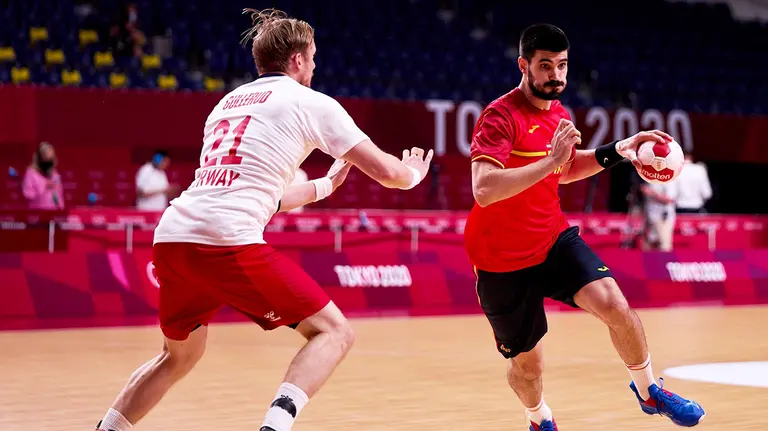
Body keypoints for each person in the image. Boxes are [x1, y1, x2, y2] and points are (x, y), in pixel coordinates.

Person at [95, 8, 432, 431]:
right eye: (312, 58)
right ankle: (274, 427)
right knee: (335, 332)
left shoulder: (225, 105)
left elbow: (262, 198)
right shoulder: (312, 103)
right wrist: (414, 173)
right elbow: (388, 172)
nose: (314, 66)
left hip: (173, 235)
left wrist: (325, 187)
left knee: (178, 356)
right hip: (225, 241)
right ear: (296, 60)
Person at [464, 24, 705, 431]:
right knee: (529, 366)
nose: (555, 76)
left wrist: (621, 150)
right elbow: (484, 189)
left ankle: (648, 391)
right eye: (545, 66)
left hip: (551, 237)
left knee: (615, 304)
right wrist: (548, 160)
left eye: (562, 66)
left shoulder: (558, 113)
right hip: (500, 259)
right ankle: (539, 418)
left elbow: (563, 169)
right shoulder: (499, 116)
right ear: (523, 65)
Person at [22, 142, 65, 210]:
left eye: (51, 158)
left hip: (54, 213)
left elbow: (59, 195)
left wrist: (61, 209)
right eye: (46, 158)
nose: (49, 161)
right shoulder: (31, 173)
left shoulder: (55, 174)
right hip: (38, 213)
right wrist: (44, 187)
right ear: (40, 158)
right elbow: (28, 195)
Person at [641, 181, 678, 251]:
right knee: (648, 245)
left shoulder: (669, 180)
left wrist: (652, 193)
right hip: (650, 217)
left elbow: (669, 199)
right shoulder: (650, 178)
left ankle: (665, 261)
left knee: (664, 246)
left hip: (663, 218)